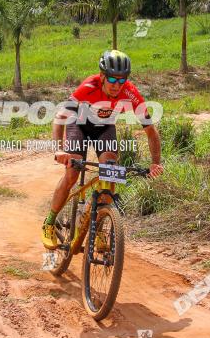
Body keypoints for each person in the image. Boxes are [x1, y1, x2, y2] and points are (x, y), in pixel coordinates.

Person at [41, 49, 163, 249]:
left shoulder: (130, 92)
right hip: (78, 125)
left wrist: (155, 163)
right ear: (102, 76)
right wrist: (59, 149)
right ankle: (49, 223)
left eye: (122, 80)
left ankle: (98, 229)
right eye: (113, 80)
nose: (117, 86)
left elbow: (150, 129)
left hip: (104, 127)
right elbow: (60, 118)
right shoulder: (89, 86)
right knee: (72, 174)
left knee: (111, 172)